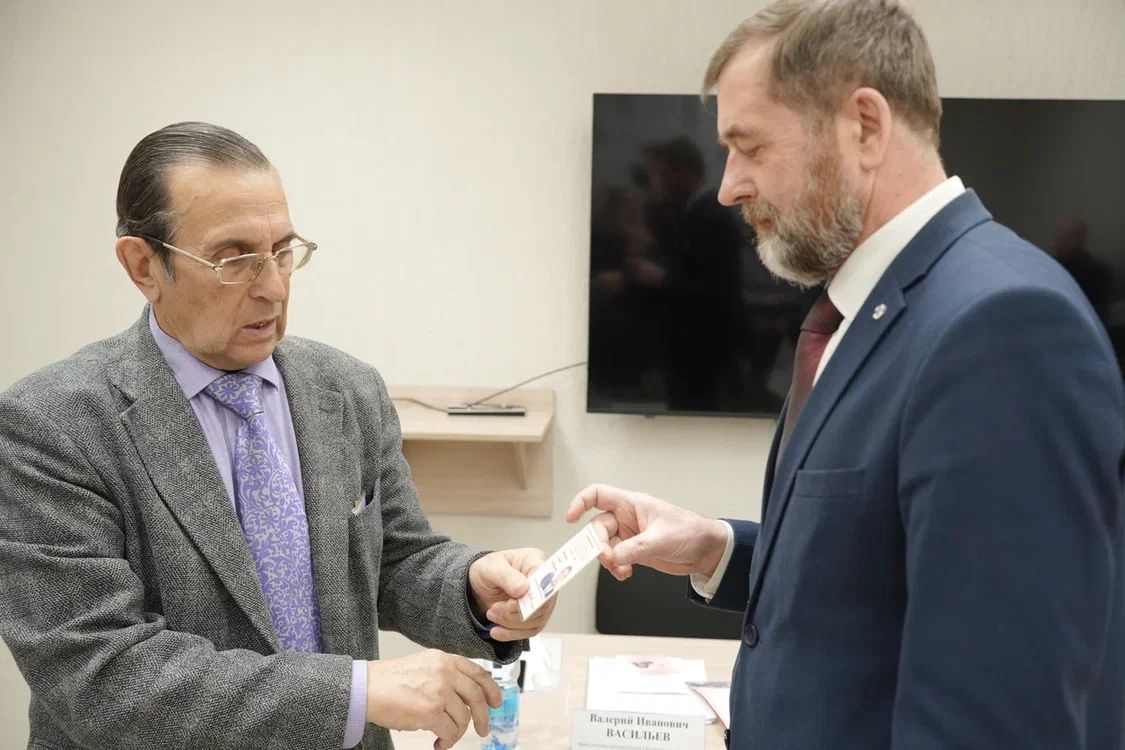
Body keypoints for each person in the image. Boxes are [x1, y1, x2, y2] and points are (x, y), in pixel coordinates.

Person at [567, 2, 1125, 749]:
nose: (728, 187)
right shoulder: (865, 309)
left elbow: (994, 717)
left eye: (749, 147)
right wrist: (715, 547)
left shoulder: (1001, 327)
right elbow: (879, 577)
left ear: (863, 126)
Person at [0, 122, 557, 750]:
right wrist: (353, 693)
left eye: (283, 250)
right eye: (234, 258)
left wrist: (474, 586)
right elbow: (100, 675)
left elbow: (394, 559)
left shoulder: (346, 389)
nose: (273, 286)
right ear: (143, 266)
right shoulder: (51, 426)